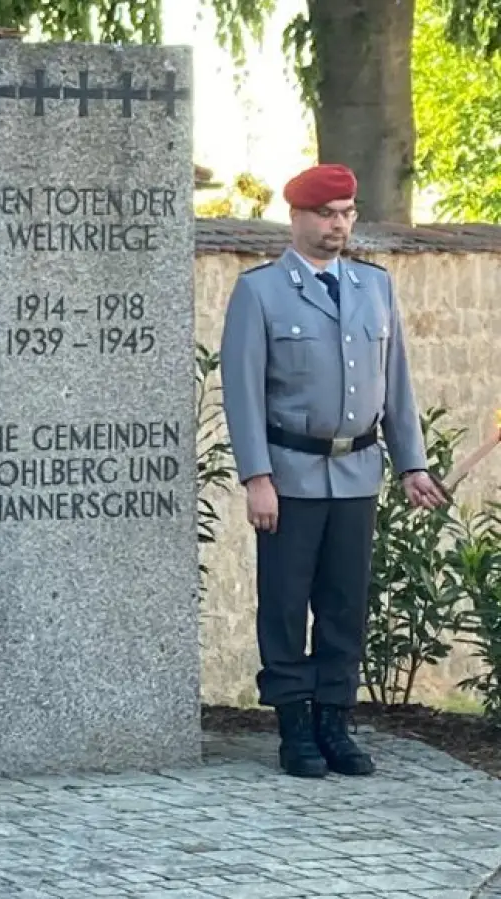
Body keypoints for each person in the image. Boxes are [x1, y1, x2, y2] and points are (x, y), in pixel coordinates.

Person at [219, 163, 445, 779]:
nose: (338, 224)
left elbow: (395, 384)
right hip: (289, 475)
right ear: (297, 217)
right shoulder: (260, 292)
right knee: (287, 604)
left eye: (346, 212)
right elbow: (240, 392)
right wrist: (256, 477)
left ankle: (335, 722)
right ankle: (294, 726)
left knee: (346, 605)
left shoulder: (375, 287)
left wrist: (412, 465)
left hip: (357, 474)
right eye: (326, 213)